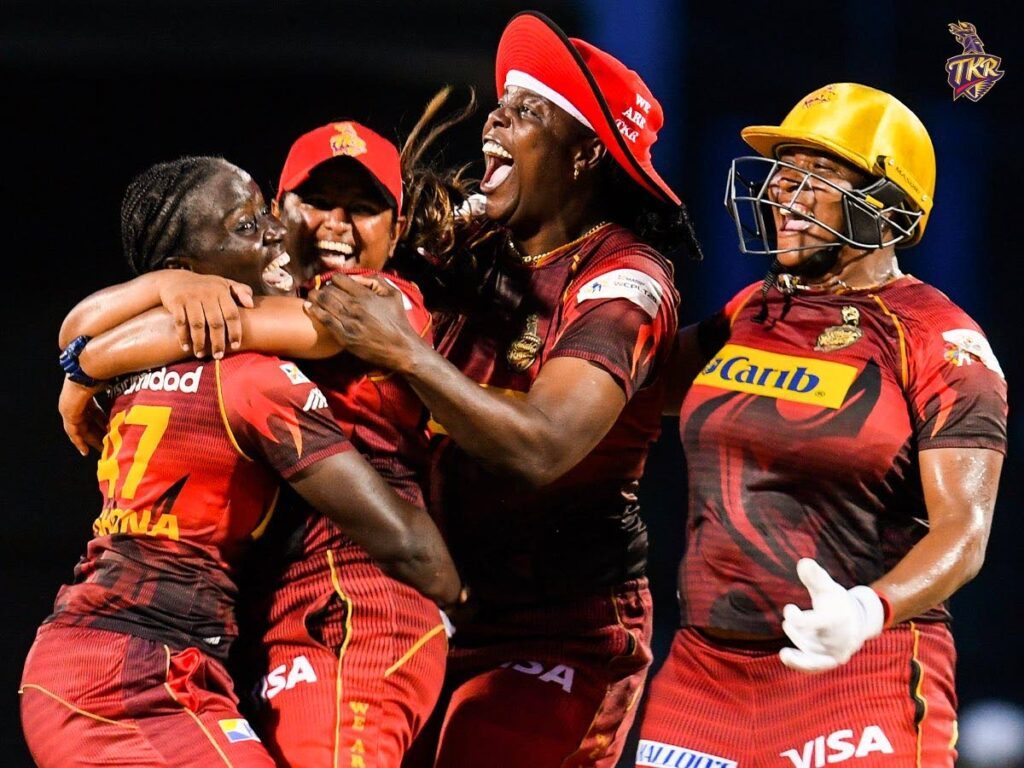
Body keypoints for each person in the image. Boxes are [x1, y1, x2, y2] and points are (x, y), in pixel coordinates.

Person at [301, 12, 699, 767]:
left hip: (558, 629)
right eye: (502, 101)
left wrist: (406, 352)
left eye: (528, 110)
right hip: (423, 601)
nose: (496, 115)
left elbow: (543, 448)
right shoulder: (476, 243)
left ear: (585, 153)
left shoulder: (626, 281)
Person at [55, 117, 472, 767]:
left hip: (356, 596)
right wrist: (164, 289)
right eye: (317, 202)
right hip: (253, 610)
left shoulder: (378, 302)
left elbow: (208, 328)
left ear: (395, 229)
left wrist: (85, 367)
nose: (337, 223)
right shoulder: (256, 300)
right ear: (281, 212)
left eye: (364, 208)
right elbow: (82, 321)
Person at [635, 83, 1007, 768]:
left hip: (862, 676)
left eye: (819, 176)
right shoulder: (754, 309)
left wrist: (868, 610)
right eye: (784, 173)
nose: (785, 193)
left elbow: (966, 531)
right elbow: (622, 387)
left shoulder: (939, 339)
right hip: (701, 681)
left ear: (889, 208)